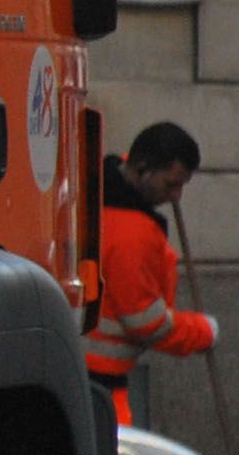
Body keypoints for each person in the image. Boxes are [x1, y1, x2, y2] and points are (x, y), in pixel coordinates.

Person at [89, 119, 215, 426]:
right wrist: (204, 331)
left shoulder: (99, 193)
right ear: (142, 168)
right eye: (171, 184)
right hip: (100, 380)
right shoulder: (133, 233)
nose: (176, 197)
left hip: (83, 374)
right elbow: (147, 322)